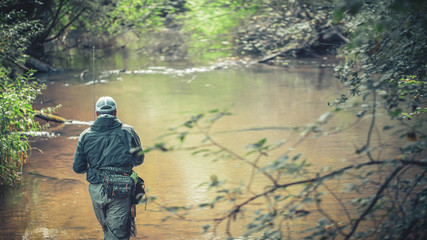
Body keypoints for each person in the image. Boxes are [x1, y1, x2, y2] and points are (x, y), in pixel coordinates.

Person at [73, 96, 144, 240]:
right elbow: (139, 159)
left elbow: (78, 167)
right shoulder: (128, 131)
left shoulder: (85, 135)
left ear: (96, 114)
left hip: (96, 191)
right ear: (116, 113)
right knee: (117, 235)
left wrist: (95, 167)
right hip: (120, 190)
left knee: (107, 230)